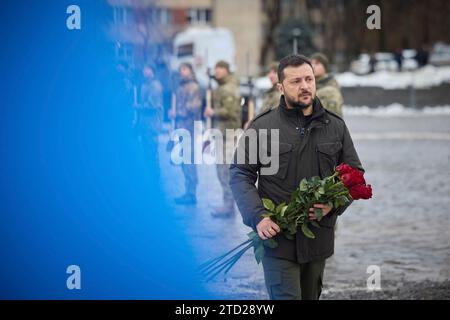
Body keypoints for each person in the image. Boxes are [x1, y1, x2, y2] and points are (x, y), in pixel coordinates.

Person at [230, 54, 364, 300]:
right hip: (278, 240)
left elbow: (355, 175)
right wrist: (258, 217)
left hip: (318, 240)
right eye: (295, 81)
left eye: (309, 79)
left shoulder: (335, 126)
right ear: (280, 87)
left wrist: (333, 204)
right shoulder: (262, 127)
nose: (305, 86)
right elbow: (240, 174)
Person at [204, 60, 241, 218]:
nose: (217, 71)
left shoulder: (228, 89)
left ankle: (229, 205)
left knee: (225, 170)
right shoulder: (220, 87)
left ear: (226, 70)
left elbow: (231, 111)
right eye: (215, 68)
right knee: (220, 170)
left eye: (220, 68)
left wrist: (213, 112)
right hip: (221, 134)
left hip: (229, 134)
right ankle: (227, 203)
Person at [170, 63, 202, 205]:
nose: (181, 71)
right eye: (180, 69)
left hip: (189, 127)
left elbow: (194, 106)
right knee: (184, 160)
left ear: (190, 70)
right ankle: (188, 191)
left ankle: (191, 193)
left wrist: (178, 112)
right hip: (181, 127)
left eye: (184, 69)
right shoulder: (180, 86)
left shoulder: (193, 86)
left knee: (189, 160)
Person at [135, 64, 163, 172]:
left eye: (147, 69)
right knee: (147, 154)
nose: (145, 71)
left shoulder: (155, 85)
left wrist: (138, 106)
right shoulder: (145, 85)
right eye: (144, 69)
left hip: (152, 126)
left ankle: (154, 180)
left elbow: (152, 105)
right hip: (145, 125)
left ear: (152, 71)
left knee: (152, 155)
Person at [310, 53, 344, 118]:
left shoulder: (331, 90)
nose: (313, 66)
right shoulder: (309, 86)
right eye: (311, 63)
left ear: (325, 67)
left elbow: (334, 117)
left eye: (317, 63)